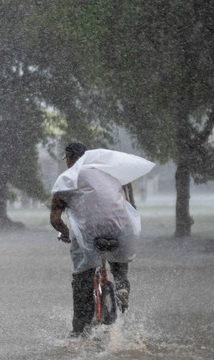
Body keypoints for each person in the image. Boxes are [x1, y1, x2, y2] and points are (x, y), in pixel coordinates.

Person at [49, 143, 154, 336]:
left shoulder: (67, 180)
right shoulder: (113, 173)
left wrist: (65, 232)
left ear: (70, 159)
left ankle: (79, 331)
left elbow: (55, 219)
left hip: (90, 234)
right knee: (120, 268)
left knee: (82, 277)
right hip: (121, 230)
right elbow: (129, 205)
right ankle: (122, 288)